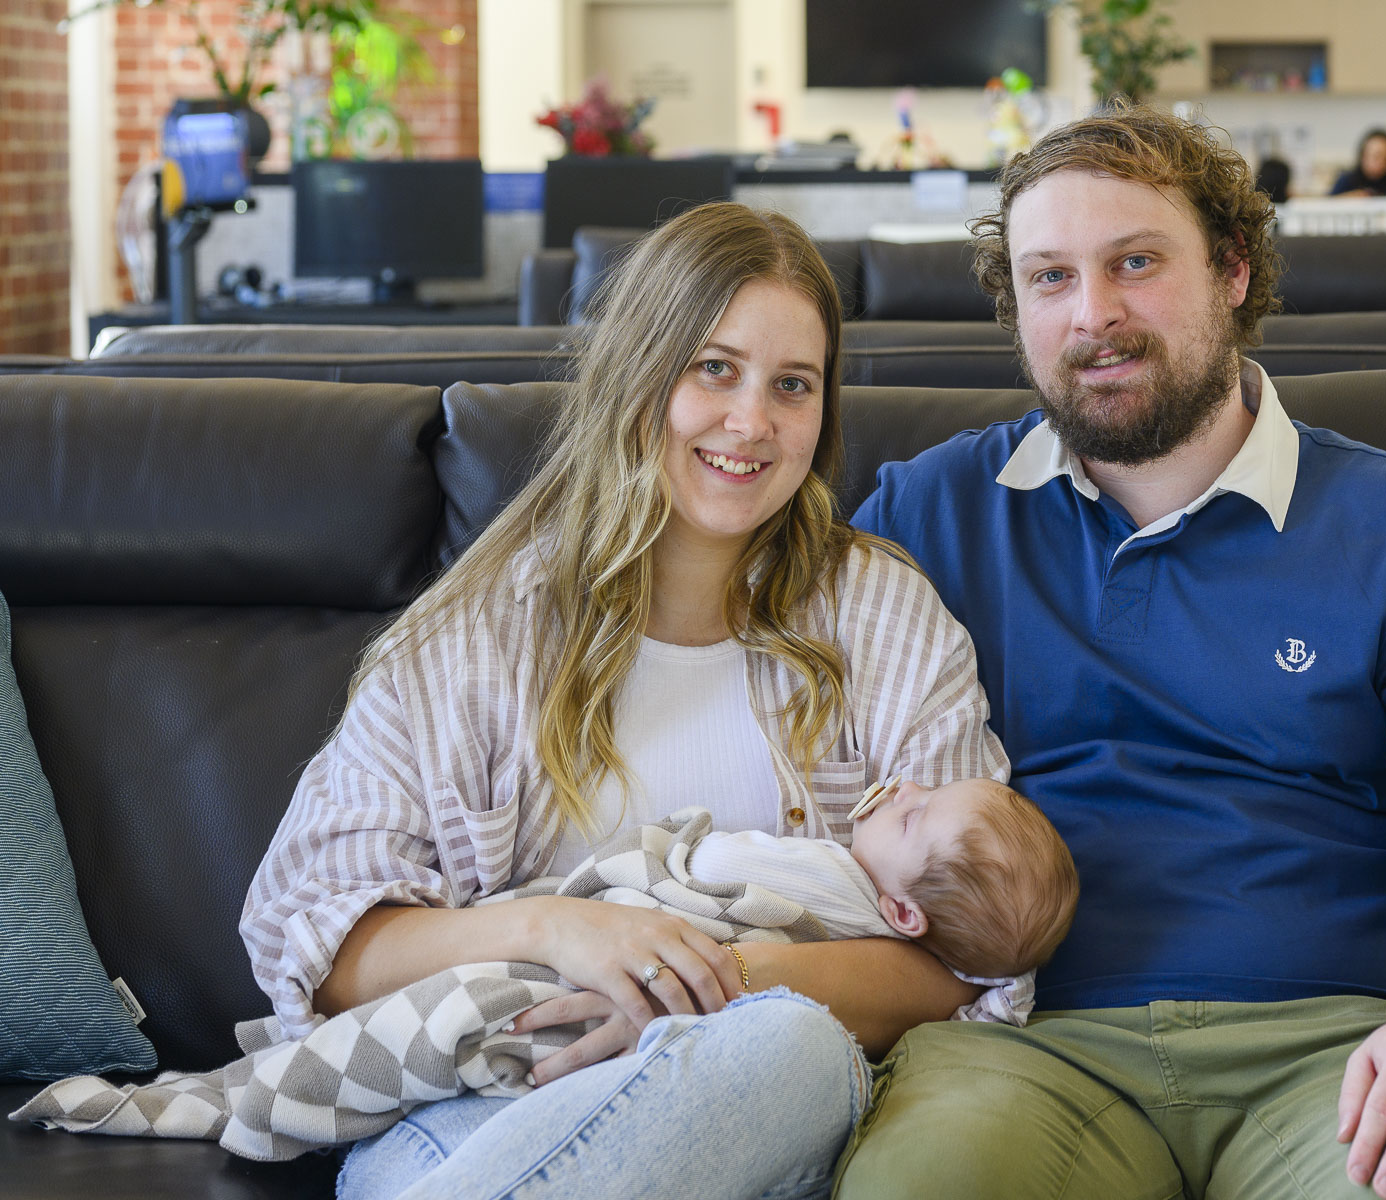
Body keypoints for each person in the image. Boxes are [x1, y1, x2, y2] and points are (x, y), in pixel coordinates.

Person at [839, 106, 1386, 1200]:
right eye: (1049, 278)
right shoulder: (929, 512)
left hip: (1338, 1043)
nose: (1095, 315)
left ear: (1233, 271)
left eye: (1136, 262)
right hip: (1024, 1049)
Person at [240, 201, 1011, 1200]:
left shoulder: (883, 616)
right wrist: (564, 932)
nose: (752, 423)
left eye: (793, 386)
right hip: (488, 1093)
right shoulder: (482, 628)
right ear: (640, 372)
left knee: (795, 1051)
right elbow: (319, 940)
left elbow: (965, 952)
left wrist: (703, 991)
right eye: (713, 369)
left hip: (751, 1096)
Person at [690, 776, 1078, 978]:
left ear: (904, 914)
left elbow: (713, 863)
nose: (906, 788)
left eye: (912, 817)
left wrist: (679, 840)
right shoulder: (894, 936)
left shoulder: (839, 882)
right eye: (931, 790)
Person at [1332, 126, 1386, 206]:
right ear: (1363, 155)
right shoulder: (1347, 180)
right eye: (1377, 156)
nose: (1381, 162)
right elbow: (1326, 204)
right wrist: (1349, 198)